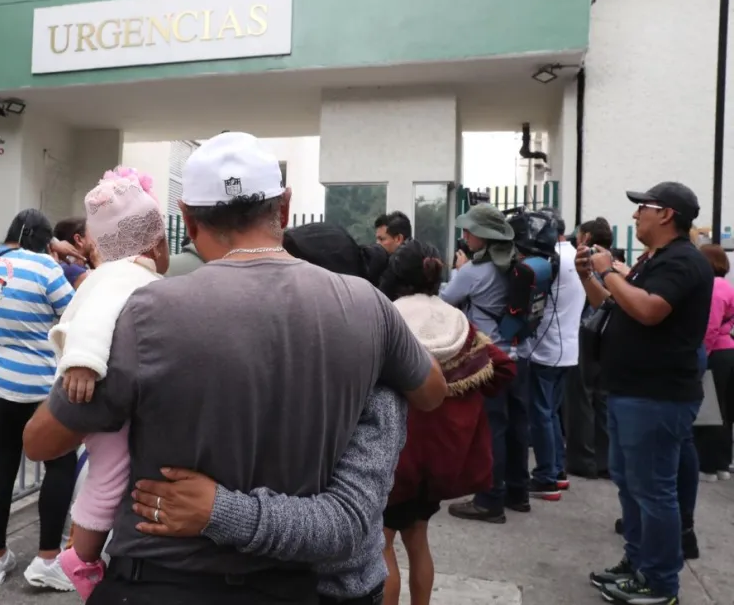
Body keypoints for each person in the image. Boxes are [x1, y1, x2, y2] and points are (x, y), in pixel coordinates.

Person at [23, 131, 446, 605]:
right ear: (284, 207)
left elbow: (41, 442)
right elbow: (432, 391)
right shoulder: (366, 306)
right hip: (295, 586)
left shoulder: (146, 311)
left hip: (161, 581)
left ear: (186, 217)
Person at [110, 228, 442, 605]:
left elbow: (346, 524)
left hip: (332, 591)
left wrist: (218, 510)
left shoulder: (377, 387)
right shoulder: (254, 356)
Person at [582, 182, 712, 605]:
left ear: (667, 214)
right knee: (631, 484)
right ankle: (638, 562)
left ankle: (659, 582)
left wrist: (607, 271)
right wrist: (589, 276)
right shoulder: (652, 260)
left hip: (657, 395)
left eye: (644, 207)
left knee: (654, 490)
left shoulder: (683, 261)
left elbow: (650, 310)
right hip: (630, 389)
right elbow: (611, 305)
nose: (636, 214)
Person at [48, 168, 170, 600]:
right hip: (94, 388)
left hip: (99, 389)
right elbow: (96, 319)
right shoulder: (124, 277)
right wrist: (83, 364)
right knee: (110, 474)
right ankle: (81, 558)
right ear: (157, 244)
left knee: (108, 472)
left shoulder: (110, 274)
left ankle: (83, 552)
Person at [378, 241, 516, 605]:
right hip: (440, 460)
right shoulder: (458, 324)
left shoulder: (388, 319)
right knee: (418, 540)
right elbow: (502, 368)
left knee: (381, 545)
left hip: (394, 458)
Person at [0, 209, 78, 591]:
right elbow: (75, 313)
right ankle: (47, 558)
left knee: (2, 463)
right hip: (38, 388)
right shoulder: (47, 268)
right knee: (60, 464)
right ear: (46, 241)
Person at [440, 203, 529, 523]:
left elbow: (446, 300)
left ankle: (490, 499)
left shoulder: (473, 271)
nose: (465, 236)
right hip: (520, 355)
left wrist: (458, 270)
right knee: (517, 426)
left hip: (490, 358)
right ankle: (518, 492)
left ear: (485, 237)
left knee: (492, 429)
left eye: (470, 231)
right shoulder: (517, 263)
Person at [526, 208, 586, 500]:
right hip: (568, 347)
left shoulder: (553, 260)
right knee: (551, 414)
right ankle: (557, 471)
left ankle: (546, 476)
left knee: (542, 414)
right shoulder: (576, 256)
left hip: (547, 347)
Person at [565, 217, 614, 478]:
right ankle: (605, 460)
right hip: (609, 334)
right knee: (603, 396)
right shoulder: (614, 261)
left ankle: (583, 459)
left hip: (586, 331)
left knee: (581, 396)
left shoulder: (587, 261)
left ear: (585, 238)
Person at [695, 243, 734, 481]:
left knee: (709, 410)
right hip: (728, 350)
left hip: (714, 353)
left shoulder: (714, 287)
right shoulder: (727, 286)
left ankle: (707, 466)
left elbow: (710, 326)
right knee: (725, 410)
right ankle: (722, 464)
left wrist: (703, 354)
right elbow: (728, 322)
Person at [52, 217, 95, 289]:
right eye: (93, 233)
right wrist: (98, 262)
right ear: (78, 240)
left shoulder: (64, 266)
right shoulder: (73, 270)